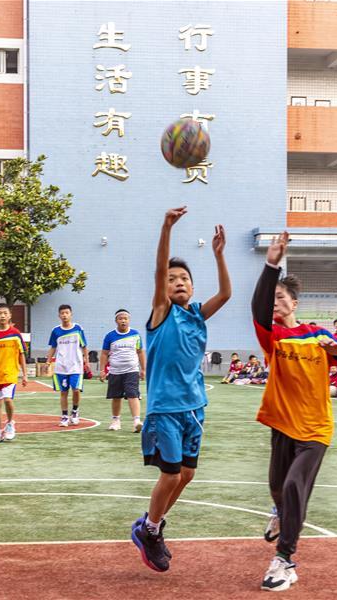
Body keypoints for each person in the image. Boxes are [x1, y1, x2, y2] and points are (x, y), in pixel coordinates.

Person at [250, 231, 337, 592]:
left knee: (295, 487)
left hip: (314, 429)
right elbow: (257, 305)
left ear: (294, 302)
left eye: (280, 298)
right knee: (278, 489)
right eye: (272, 299)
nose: (274, 303)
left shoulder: (317, 335)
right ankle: (280, 514)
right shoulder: (272, 337)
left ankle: (285, 560)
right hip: (282, 423)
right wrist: (270, 264)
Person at [130, 207, 230, 573]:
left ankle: (149, 525)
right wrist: (166, 226)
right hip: (164, 409)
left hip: (194, 408)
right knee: (170, 474)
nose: (178, 282)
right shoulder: (161, 312)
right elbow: (159, 272)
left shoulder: (197, 314)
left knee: (187, 474)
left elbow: (227, 293)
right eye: (172, 279)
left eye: (184, 278)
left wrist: (219, 255)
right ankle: (152, 530)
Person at [0, 304, 28, 443]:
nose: (2, 315)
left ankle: (10, 424)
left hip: (10, 373)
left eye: (5, 313)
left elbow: (21, 354)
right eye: (0, 313)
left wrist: (24, 374)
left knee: (8, 399)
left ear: (9, 316)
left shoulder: (15, 334)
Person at [99, 309, 146, 433]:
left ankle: (136, 421)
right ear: (116, 321)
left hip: (132, 371)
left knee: (133, 395)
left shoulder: (135, 334)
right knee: (116, 397)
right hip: (115, 371)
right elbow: (104, 354)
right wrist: (102, 370)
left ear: (129, 320)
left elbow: (140, 352)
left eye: (125, 318)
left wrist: (143, 369)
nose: (123, 321)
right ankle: (115, 421)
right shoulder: (110, 336)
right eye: (120, 319)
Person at [48, 305, 88, 427]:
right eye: (62, 313)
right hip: (61, 366)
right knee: (63, 392)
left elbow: (84, 345)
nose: (64, 315)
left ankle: (75, 412)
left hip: (76, 366)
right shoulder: (56, 331)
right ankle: (65, 416)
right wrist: (48, 361)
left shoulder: (78, 329)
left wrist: (86, 359)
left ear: (71, 314)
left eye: (67, 313)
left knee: (76, 390)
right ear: (59, 315)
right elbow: (53, 347)